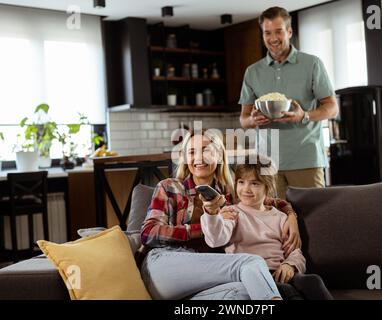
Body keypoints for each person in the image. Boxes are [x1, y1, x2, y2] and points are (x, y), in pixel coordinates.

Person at [140, 129, 301, 300]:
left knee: (246, 291)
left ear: (219, 155)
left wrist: (291, 216)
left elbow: (267, 199)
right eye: (192, 152)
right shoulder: (169, 187)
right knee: (251, 262)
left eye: (206, 150)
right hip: (165, 266)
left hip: (207, 275)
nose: (199, 158)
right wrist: (203, 227)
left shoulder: (230, 192)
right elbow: (148, 233)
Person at [201, 155, 333, 300]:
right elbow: (216, 239)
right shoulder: (231, 213)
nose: (246, 189)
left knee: (313, 281)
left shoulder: (281, 217)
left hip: (280, 272)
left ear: (268, 187)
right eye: (241, 182)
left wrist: (290, 265)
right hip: (252, 276)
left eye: (255, 183)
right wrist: (213, 215)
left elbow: (294, 251)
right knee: (287, 292)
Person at [239, 6, 339, 198]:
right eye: (267, 33)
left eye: (278, 31)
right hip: (267, 162)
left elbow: (332, 107)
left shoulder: (312, 64)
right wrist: (253, 120)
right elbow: (243, 119)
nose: (273, 38)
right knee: (274, 222)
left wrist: (304, 115)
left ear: (290, 32)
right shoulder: (253, 72)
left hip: (306, 159)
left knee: (313, 217)